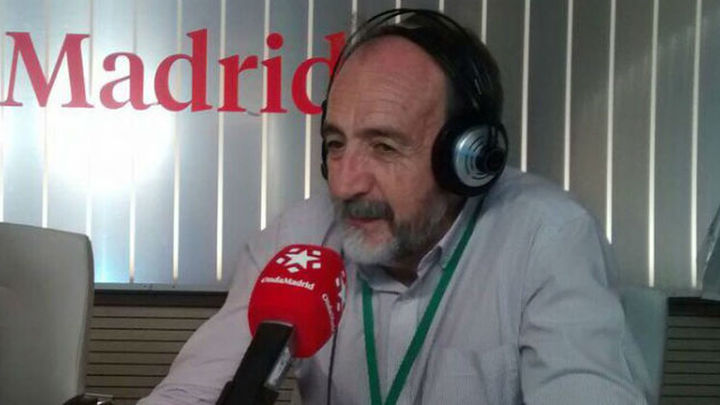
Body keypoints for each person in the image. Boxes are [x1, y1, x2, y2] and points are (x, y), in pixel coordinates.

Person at [140, 9, 651, 405]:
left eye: (384, 147)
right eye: (336, 144)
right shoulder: (295, 239)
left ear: (466, 158)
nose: (345, 183)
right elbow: (194, 388)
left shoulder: (548, 237)